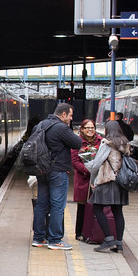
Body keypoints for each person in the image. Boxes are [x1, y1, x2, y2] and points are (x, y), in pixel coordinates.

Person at [31, 102, 82, 250]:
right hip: (57, 171)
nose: (71, 119)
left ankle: (39, 238)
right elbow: (77, 143)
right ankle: (55, 240)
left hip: (41, 170)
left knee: (41, 205)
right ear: (64, 114)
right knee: (57, 206)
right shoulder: (61, 127)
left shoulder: (40, 125)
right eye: (70, 115)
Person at [87, 120, 131, 252]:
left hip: (107, 180)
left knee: (97, 208)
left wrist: (92, 180)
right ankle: (119, 243)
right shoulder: (125, 144)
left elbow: (96, 165)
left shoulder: (106, 144)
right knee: (118, 212)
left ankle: (108, 239)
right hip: (121, 182)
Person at [71, 119, 102, 242]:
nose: (90, 130)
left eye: (92, 128)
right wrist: (87, 170)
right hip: (83, 178)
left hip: (98, 179)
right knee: (82, 206)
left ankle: (93, 231)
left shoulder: (100, 141)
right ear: (82, 129)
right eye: (87, 128)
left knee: (97, 207)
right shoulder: (77, 142)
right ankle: (79, 232)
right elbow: (74, 161)